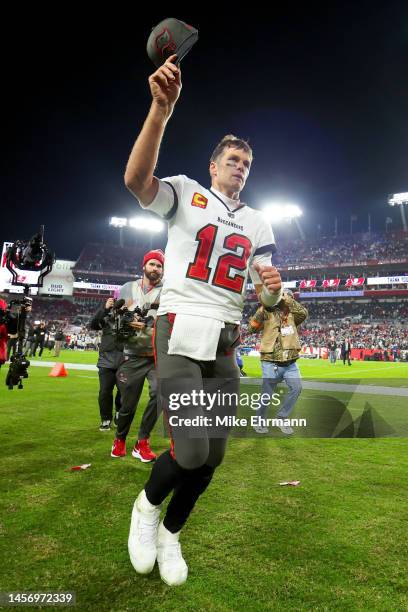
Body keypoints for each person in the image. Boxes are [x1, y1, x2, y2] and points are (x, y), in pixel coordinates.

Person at [122, 55, 282, 585]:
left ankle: (171, 534)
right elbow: (136, 180)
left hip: (225, 342)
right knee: (189, 451)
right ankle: (146, 508)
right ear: (215, 166)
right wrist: (159, 113)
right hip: (181, 328)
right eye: (233, 160)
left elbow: (262, 288)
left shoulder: (258, 221)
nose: (240, 168)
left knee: (211, 457)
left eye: (247, 164)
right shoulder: (188, 192)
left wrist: (270, 289)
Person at [111, 250, 164, 462]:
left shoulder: (168, 291)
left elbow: (173, 319)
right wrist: (125, 320)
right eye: (152, 264)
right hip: (132, 354)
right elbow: (113, 316)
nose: (156, 269)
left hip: (156, 355)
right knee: (128, 404)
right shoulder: (127, 288)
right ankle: (120, 439)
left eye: (159, 266)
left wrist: (152, 324)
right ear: (144, 266)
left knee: (162, 394)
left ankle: (142, 442)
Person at [249, 290, 308, 435]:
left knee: (297, 388)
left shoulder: (294, 315)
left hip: (290, 363)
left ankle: (282, 417)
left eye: (290, 298)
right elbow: (252, 328)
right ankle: (259, 421)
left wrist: (286, 299)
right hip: (270, 361)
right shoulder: (266, 312)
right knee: (267, 395)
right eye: (285, 297)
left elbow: (304, 313)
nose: (287, 300)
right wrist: (264, 305)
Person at [90, 299, 124, 431]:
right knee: (105, 392)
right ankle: (105, 419)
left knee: (123, 392)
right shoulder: (106, 317)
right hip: (106, 361)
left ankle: (118, 413)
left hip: (124, 361)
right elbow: (93, 324)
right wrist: (105, 308)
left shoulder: (128, 317)